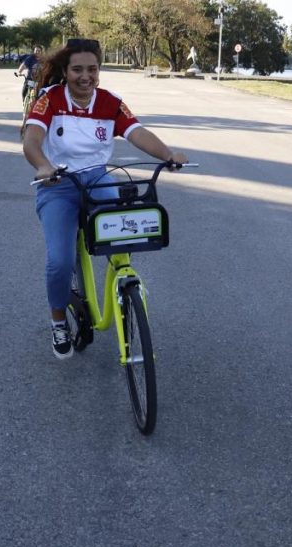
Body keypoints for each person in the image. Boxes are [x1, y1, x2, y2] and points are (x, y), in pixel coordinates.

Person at [22, 38, 188, 359]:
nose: (86, 76)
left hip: (97, 178)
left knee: (124, 233)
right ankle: (58, 321)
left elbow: (137, 132)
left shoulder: (110, 102)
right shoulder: (50, 100)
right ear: (66, 71)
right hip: (58, 181)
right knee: (60, 261)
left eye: (93, 69)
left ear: (99, 71)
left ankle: (124, 286)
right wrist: (43, 165)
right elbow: (32, 139)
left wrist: (168, 155)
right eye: (77, 70)